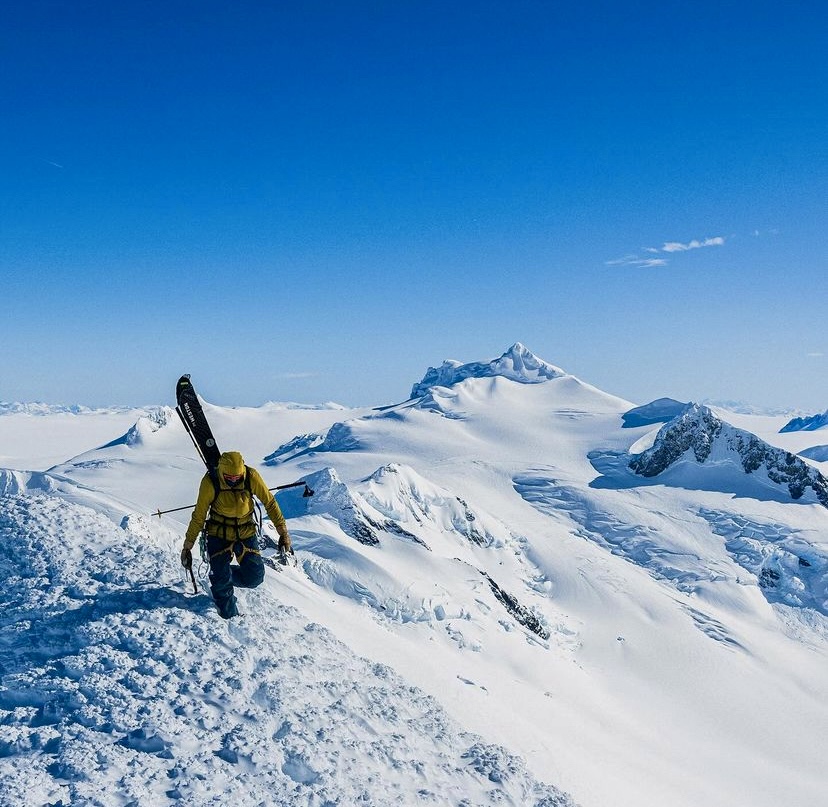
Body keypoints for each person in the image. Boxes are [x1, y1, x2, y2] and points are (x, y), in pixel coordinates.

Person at [180, 451, 291, 618]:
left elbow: (270, 502)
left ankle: (218, 575)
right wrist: (187, 546)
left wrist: (283, 533)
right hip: (218, 534)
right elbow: (199, 516)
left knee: (254, 578)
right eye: (229, 478)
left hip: (246, 532)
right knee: (223, 584)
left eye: (237, 478)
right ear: (221, 471)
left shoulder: (251, 476)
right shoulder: (211, 481)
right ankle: (230, 617)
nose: (234, 481)